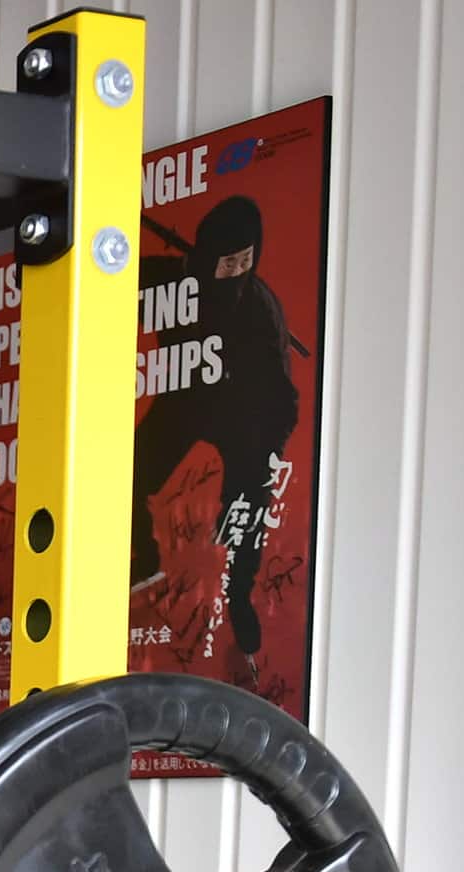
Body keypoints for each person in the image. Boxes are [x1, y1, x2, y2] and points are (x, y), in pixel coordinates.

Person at [131, 194, 304, 693]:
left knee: (245, 513)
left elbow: (282, 397)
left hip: (243, 416)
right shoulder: (169, 278)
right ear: (205, 256)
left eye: (247, 261)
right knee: (129, 473)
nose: (236, 271)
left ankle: (241, 601)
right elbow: (101, 276)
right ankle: (144, 559)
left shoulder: (260, 309)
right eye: (227, 261)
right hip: (185, 400)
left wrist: (264, 450)